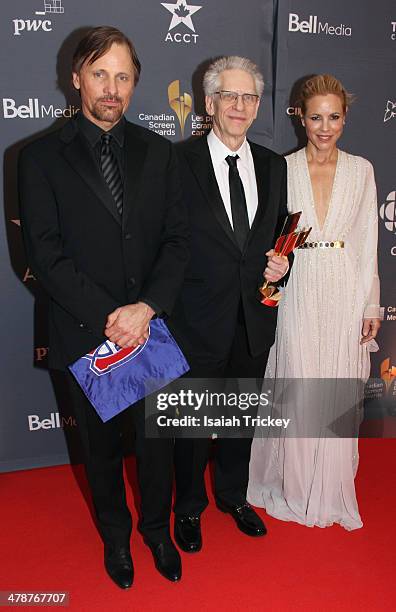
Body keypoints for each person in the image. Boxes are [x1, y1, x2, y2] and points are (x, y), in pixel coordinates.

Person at [19, 26, 188, 588]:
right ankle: (116, 539)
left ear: (135, 82)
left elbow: (176, 240)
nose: (111, 89)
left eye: (122, 76)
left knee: (156, 444)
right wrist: (112, 319)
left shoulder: (159, 152)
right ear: (76, 79)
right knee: (101, 452)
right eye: (100, 75)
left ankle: (157, 531)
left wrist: (145, 309)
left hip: (150, 328)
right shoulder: (38, 157)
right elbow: (45, 255)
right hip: (86, 332)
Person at [168, 56, 290, 553]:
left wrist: (283, 269)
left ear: (258, 106)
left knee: (241, 417)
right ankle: (189, 507)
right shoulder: (178, 162)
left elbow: (282, 238)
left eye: (250, 98)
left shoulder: (273, 164)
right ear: (211, 102)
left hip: (254, 318)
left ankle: (234, 497)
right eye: (230, 96)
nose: (240, 107)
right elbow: (167, 243)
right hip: (196, 319)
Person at [248, 74, 381, 530]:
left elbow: (367, 243)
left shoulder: (362, 169)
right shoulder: (282, 169)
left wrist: (371, 305)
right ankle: (298, 486)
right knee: (300, 386)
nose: (325, 127)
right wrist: (274, 268)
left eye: (335, 117)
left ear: (345, 118)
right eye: (316, 117)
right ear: (301, 118)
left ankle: (332, 487)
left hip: (345, 286)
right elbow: (275, 239)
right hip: (300, 286)